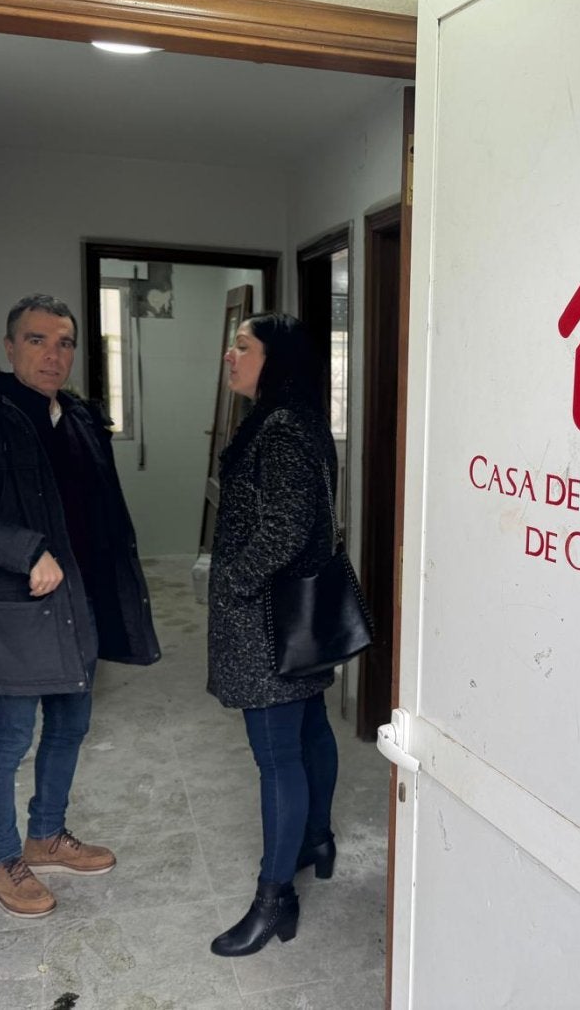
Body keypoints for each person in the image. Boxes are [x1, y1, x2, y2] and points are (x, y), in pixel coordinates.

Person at [0, 293, 161, 919]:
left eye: (64, 343)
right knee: (6, 742)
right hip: (17, 609)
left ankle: (46, 834)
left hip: (77, 602)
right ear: (9, 348)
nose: (52, 355)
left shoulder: (79, 418)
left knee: (71, 725)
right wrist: (26, 550)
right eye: (36, 341)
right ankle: (3, 858)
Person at [207, 313, 341, 956]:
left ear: (274, 359)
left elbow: (285, 530)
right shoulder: (299, 419)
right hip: (296, 618)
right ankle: (316, 838)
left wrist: (232, 579)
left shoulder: (280, 430)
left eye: (243, 347)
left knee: (276, 755)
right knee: (310, 726)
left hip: (266, 621)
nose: (230, 357)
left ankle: (274, 899)